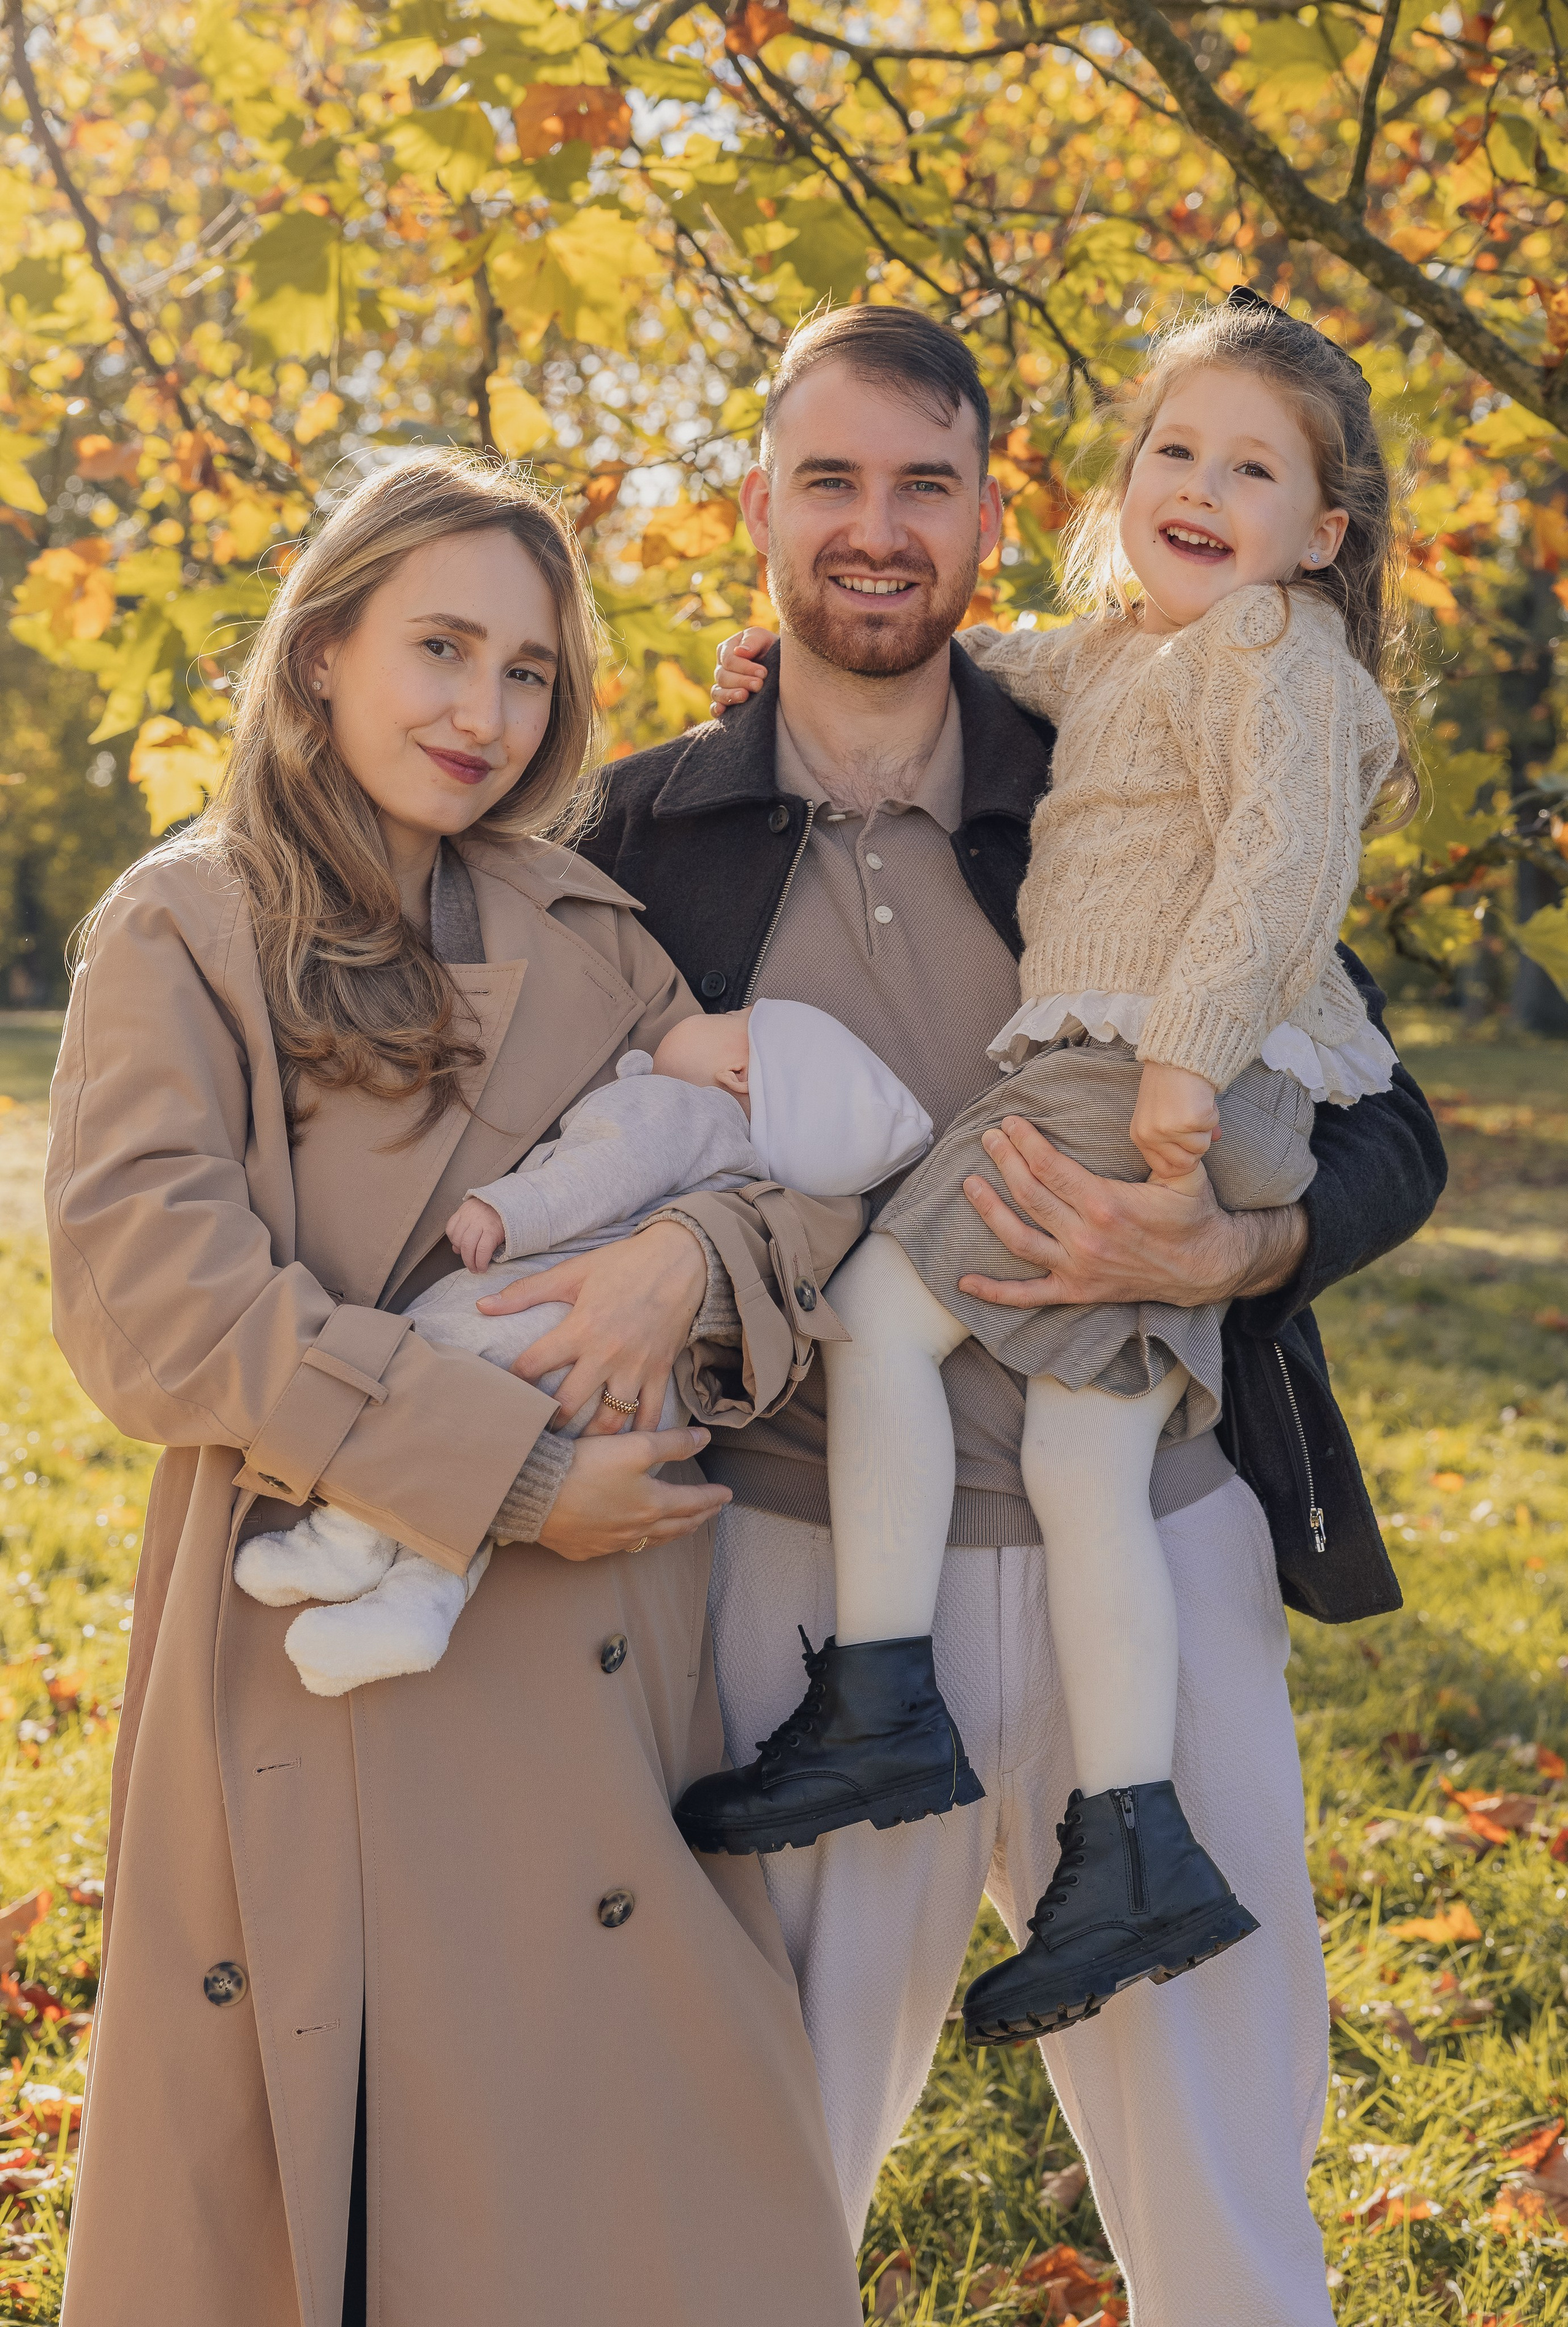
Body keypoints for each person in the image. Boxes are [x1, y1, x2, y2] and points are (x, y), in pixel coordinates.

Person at [580, 303, 1447, 2325]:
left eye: (926, 484)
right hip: (798, 1560)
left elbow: (1389, 1123)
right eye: (830, 481)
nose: (876, 528)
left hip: (1146, 1525)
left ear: (992, 514)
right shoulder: (645, 828)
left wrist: (1235, 1252)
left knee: (1222, 2179)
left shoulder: (1136, 731)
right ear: (760, 507)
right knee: (754, 2182)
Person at [46, 452, 865, 2327]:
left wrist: (689, 1261)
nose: (481, 709)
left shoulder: (588, 925)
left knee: (666, 2204)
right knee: (364, 2209)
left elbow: (787, 1174)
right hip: (326, 1653)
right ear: (321, 650)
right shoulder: (191, 924)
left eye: (525, 668)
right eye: (438, 646)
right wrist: (507, 1475)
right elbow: (151, 1299)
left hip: (605, 1683)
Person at [234, 997, 932, 1698]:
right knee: (475, 1492)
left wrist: (509, 1211)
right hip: (628, 1395)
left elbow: (604, 1170)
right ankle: (418, 1606)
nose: (709, 1011)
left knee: (429, 1376)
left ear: (739, 1071)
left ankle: (344, 1543)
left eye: (733, 1015)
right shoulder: (745, 1176)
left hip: (538, 1326)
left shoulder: (680, 1107)